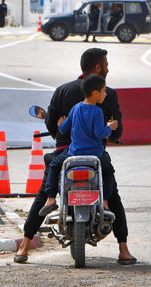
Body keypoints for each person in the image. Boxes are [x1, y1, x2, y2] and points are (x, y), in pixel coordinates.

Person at [14, 48, 136, 265]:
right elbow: (116, 132)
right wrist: (110, 131)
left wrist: (62, 131)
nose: (108, 69)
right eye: (106, 65)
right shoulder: (106, 94)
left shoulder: (62, 91)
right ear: (98, 68)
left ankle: (24, 247)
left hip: (66, 153)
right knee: (112, 194)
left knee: (43, 194)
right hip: (95, 156)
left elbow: (54, 126)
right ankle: (123, 250)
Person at [39, 74, 118, 216]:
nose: (105, 94)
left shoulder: (76, 109)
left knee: (55, 165)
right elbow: (99, 133)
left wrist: (60, 124)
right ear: (95, 93)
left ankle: (50, 199)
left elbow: (63, 130)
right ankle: (105, 201)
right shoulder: (98, 111)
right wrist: (110, 127)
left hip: (74, 152)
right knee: (108, 172)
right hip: (95, 154)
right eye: (104, 91)